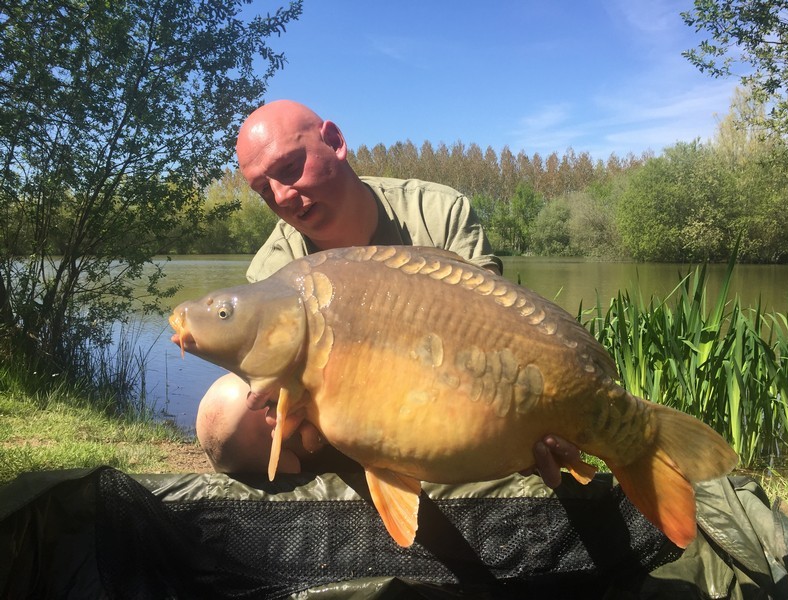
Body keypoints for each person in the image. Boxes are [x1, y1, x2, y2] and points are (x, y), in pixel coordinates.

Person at [195, 99, 582, 488]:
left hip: (448, 410)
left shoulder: (437, 212)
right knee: (223, 416)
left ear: (335, 142)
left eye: (289, 168)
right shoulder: (274, 269)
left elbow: (500, 335)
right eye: (264, 189)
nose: (281, 196)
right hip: (334, 430)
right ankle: (329, 504)